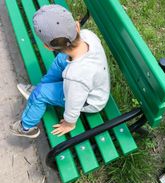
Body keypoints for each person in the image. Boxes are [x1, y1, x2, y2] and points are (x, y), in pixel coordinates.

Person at [9, 5, 110, 138]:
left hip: (90, 101)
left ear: (48, 47)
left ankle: (26, 128)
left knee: (39, 95)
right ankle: (42, 87)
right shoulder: (88, 35)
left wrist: (69, 123)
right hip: (90, 82)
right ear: (77, 26)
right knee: (61, 59)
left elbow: (73, 103)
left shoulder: (74, 77)